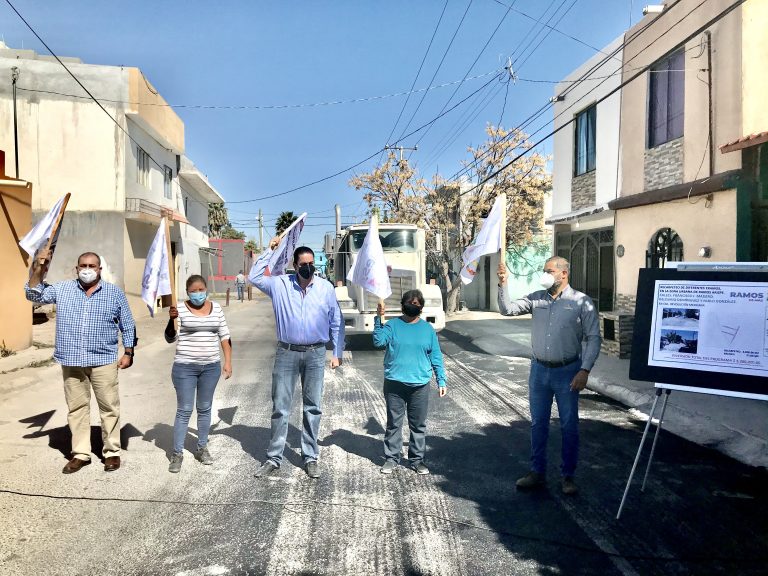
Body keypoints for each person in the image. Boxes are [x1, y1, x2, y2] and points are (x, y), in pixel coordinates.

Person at [25, 249, 136, 474]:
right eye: (83, 266)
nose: (87, 270)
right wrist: (38, 269)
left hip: (103, 359)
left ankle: (112, 452)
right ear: (77, 269)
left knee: (109, 407)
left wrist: (128, 352)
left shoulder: (114, 293)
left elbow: (127, 323)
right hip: (72, 359)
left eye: (91, 266)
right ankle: (81, 453)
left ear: (99, 269)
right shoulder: (63, 289)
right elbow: (33, 294)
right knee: (77, 408)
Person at [497, 256, 601, 495]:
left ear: (563, 273)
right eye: (544, 270)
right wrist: (503, 284)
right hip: (539, 372)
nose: (545, 275)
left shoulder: (580, 302)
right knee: (538, 424)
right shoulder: (537, 298)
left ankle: (568, 476)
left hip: (568, 373)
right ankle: (537, 472)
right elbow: (507, 309)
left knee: (569, 425)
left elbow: (594, 338)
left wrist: (585, 370)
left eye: (549, 271)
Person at [249, 238, 344, 479]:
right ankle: (274, 458)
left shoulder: (325, 288)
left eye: (311, 263)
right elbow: (255, 276)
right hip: (286, 353)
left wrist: (337, 352)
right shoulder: (280, 285)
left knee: (313, 407)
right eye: (303, 263)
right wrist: (269, 250)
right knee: (281, 407)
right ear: (295, 264)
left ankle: (310, 456)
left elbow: (336, 321)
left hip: (315, 353)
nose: (308, 268)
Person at [373, 290, 447, 475]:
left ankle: (416, 460)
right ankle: (391, 458)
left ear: (421, 307)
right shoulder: (392, 325)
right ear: (402, 305)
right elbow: (378, 342)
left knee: (418, 425)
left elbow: (435, 355)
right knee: (394, 423)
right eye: (409, 302)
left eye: (416, 303)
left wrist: (441, 379)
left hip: (420, 385)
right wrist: (378, 319)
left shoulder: (427, 329)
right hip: (394, 384)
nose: (413, 305)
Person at [165, 275, 232, 473]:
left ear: (206, 289)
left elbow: (225, 335)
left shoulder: (216, 308)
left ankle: (202, 448)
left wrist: (228, 361)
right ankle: (177, 453)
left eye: (201, 289)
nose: (198, 293)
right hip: (185, 367)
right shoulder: (179, 309)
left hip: (210, 367)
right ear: (187, 292)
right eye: (193, 291)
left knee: (204, 408)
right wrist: (172, 319)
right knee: (184, 410)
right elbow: (170, 337)